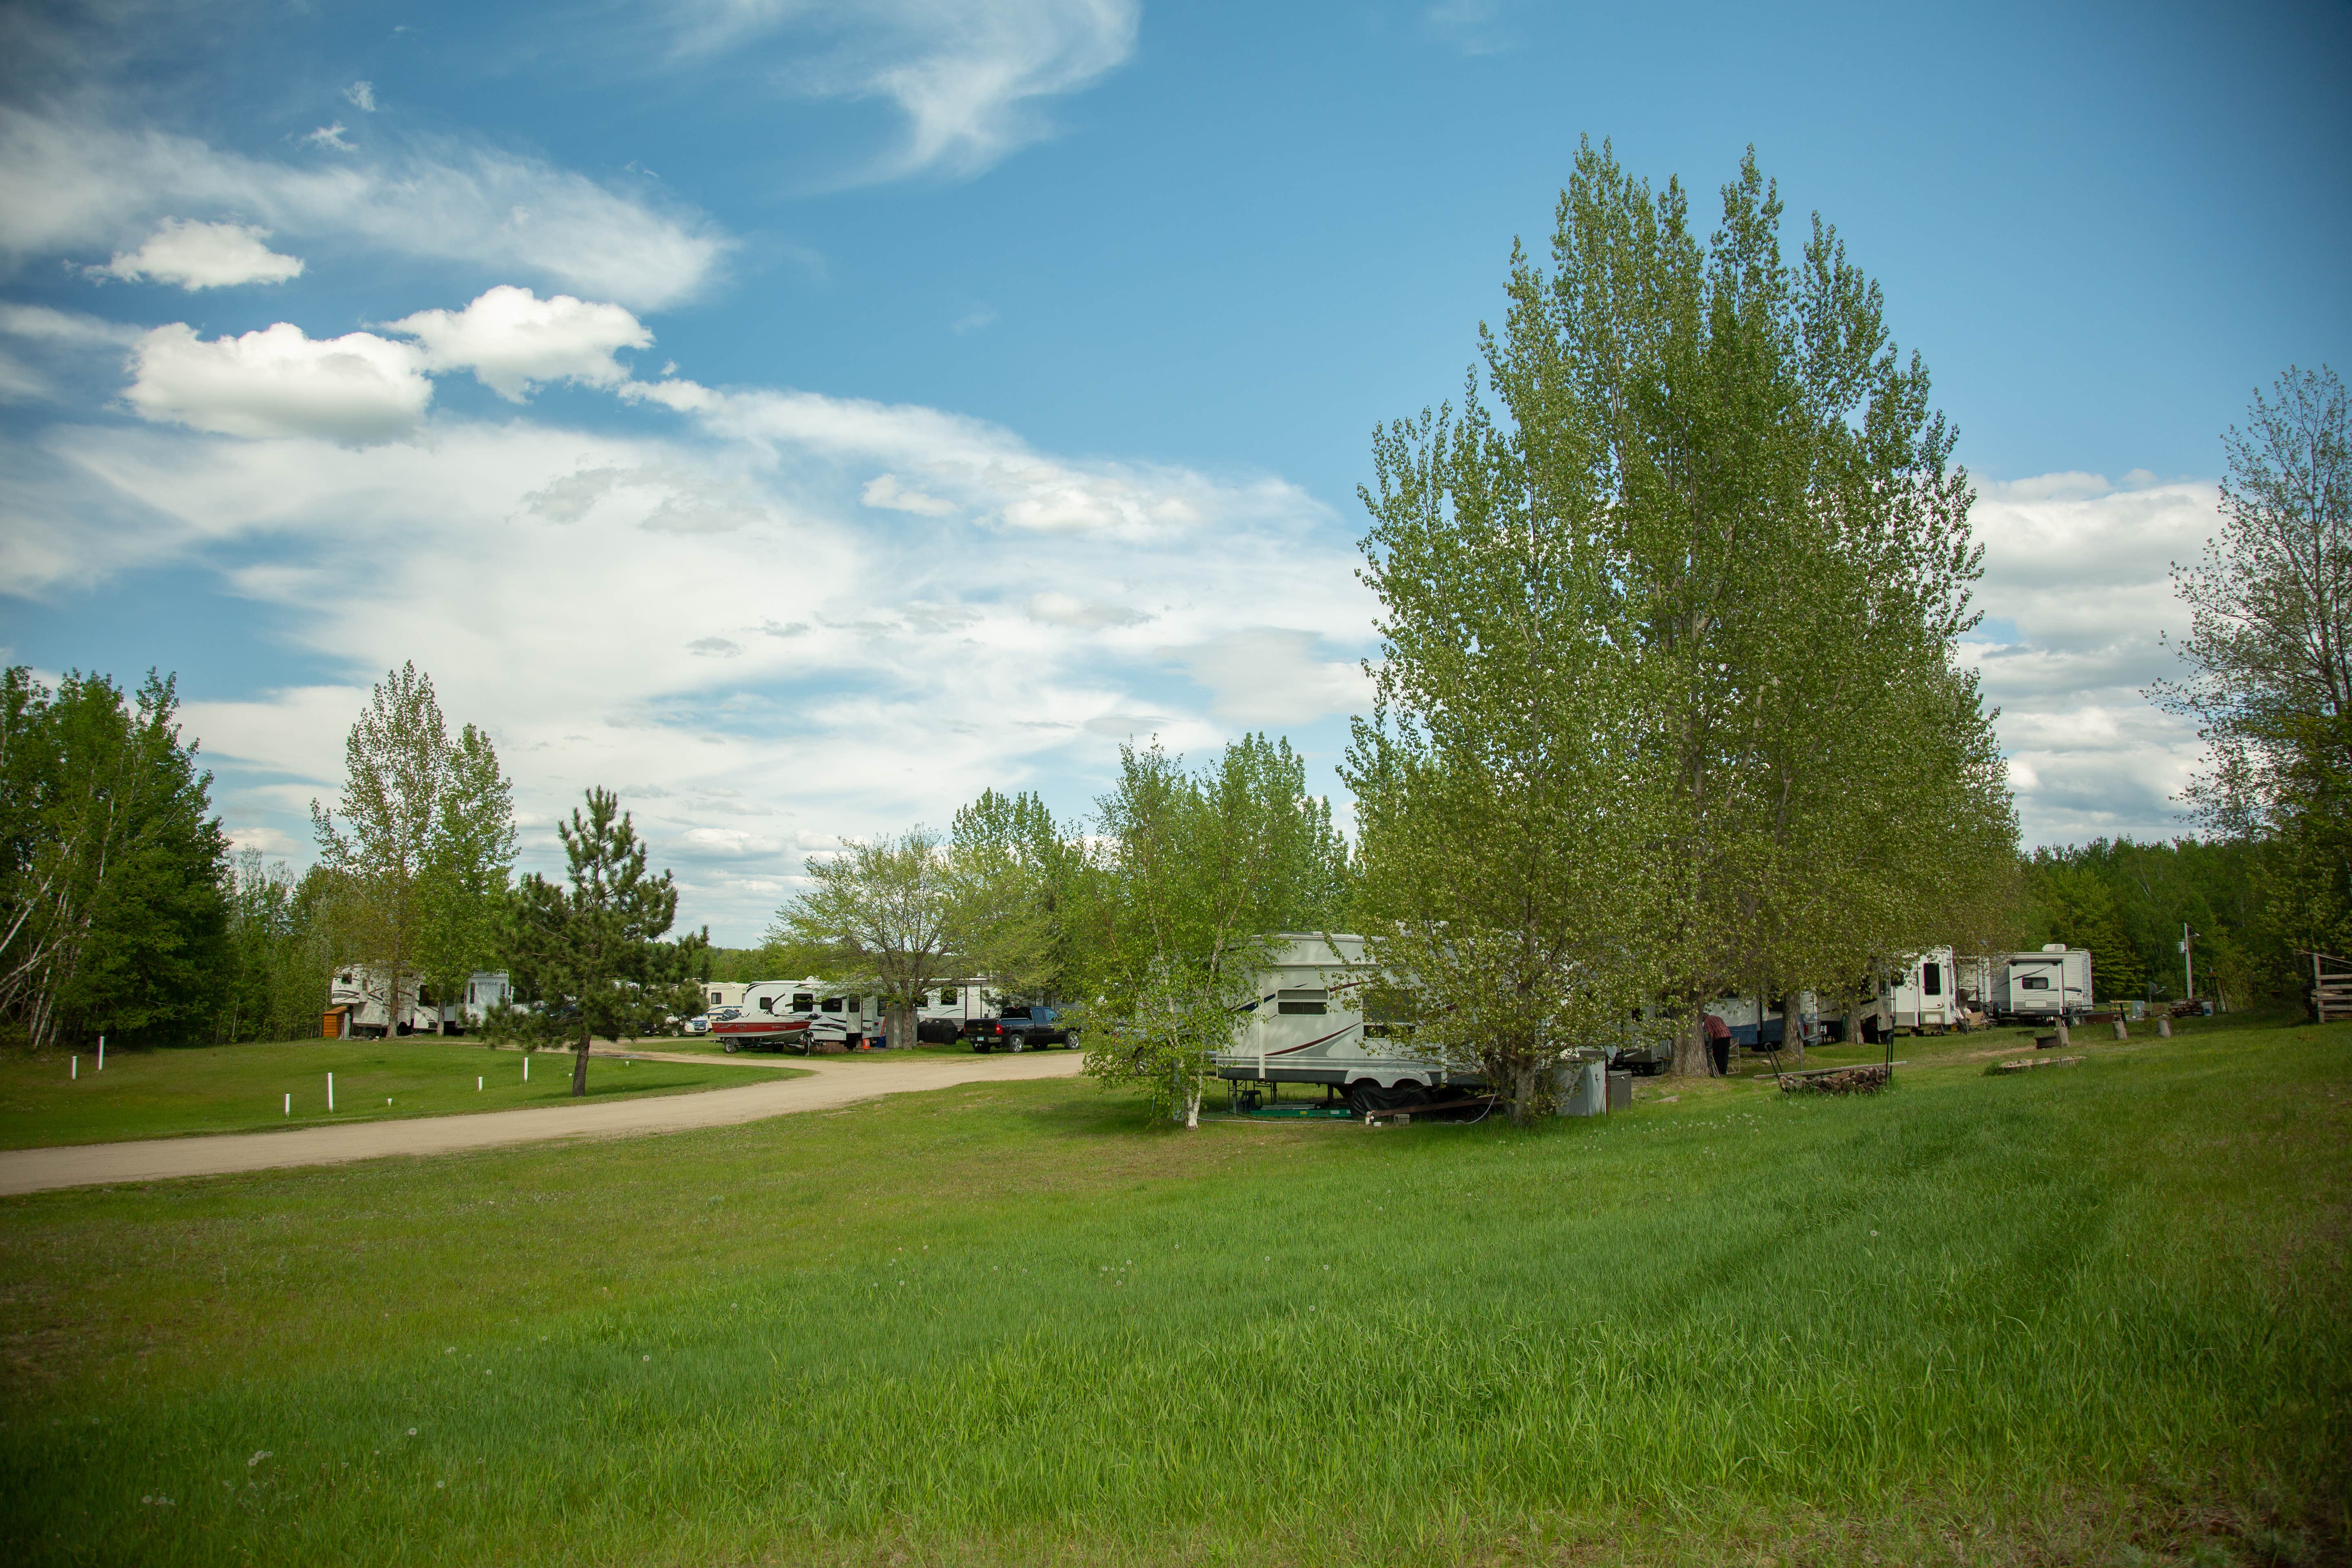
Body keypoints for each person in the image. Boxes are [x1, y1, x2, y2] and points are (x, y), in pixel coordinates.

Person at [1703, 1011, 1732, 1077]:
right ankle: (1724, 1071)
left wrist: (1711, 1041)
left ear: (1704, 1017)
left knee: (1717, 1055)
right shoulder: (1717, 1018)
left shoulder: (1707, 1021)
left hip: (1719, 1037)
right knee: (1725, 1055)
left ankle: (1718, 1071)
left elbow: (1710, 1032)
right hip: (1727, 1035)